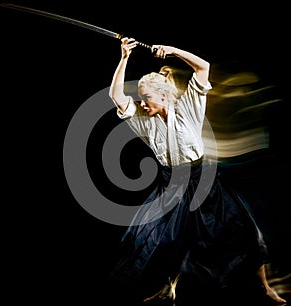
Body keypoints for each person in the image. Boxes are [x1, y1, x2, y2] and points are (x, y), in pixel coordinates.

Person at [107, 37, 287, 306]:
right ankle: (168, 289)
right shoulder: (144, 122)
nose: (142, 103)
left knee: (246, 231)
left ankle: (264, 286)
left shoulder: (189, 107)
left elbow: (203, 68)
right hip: (170, 184)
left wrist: (173, 50)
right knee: (166, 241)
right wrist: (124, 57)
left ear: (164, 95)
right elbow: (115, 96)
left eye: (146, 98)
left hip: (202, 179)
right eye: (141, 99)